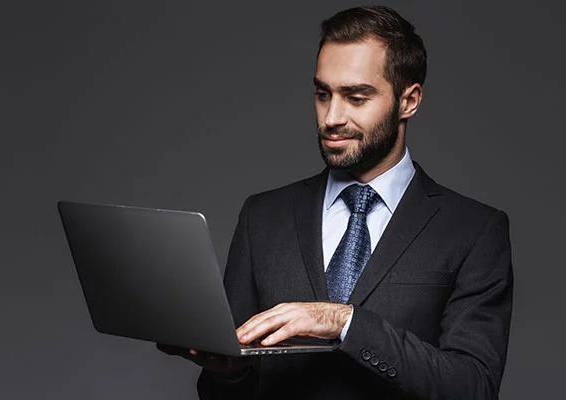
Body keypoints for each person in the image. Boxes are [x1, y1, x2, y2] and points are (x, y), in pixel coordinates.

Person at [157, 5, 515, 399]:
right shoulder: (262, 217)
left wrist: (345, 321)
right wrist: (228, 374)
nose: (331, 117)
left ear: (408, 101)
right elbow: (224, 390)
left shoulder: (474, 231)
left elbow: (473, 388)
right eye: (322, 94)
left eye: (356, 98)